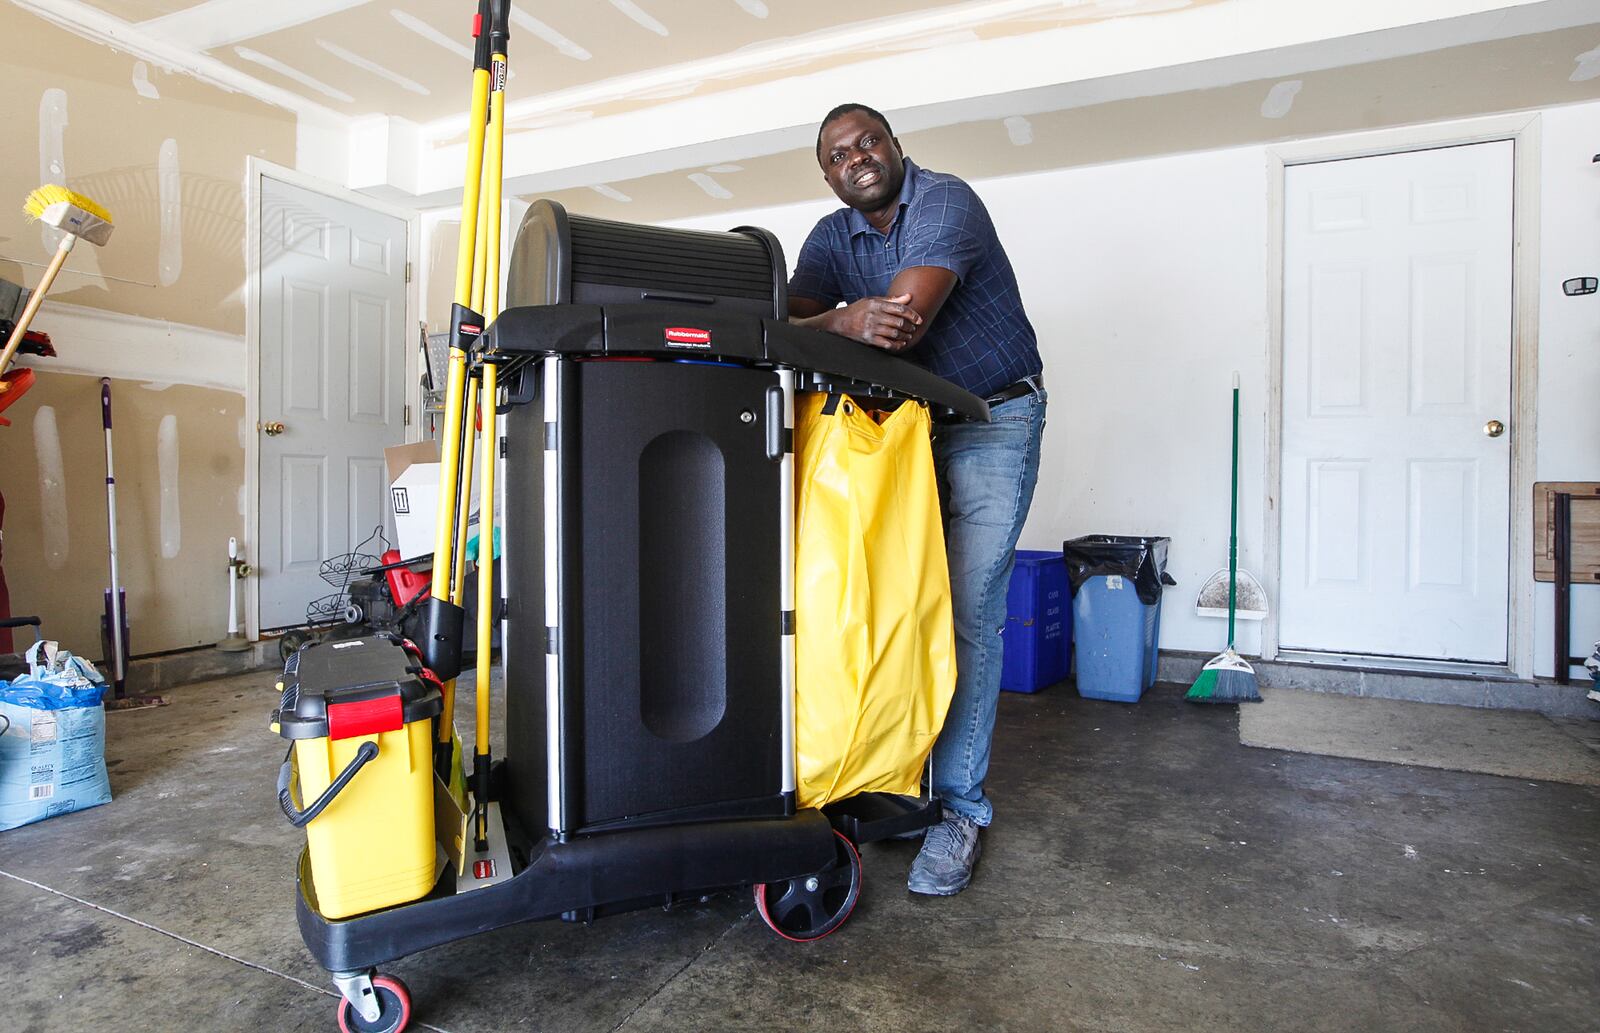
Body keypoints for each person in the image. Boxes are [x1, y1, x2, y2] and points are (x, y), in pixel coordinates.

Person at [788, 103, 1046, 896]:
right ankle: (895, 771)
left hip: (992, 416)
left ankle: (960, 805)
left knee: (966, 608)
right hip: (907, 426)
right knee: (896, 600)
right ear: (827, 174)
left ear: (896, 147)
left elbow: (897, 328)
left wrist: (854, 322)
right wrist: (842, 317)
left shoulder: (945, 202)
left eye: (869, 141)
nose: (857, 157)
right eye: (838, 154)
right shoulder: (833, 237)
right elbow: (785, 315)